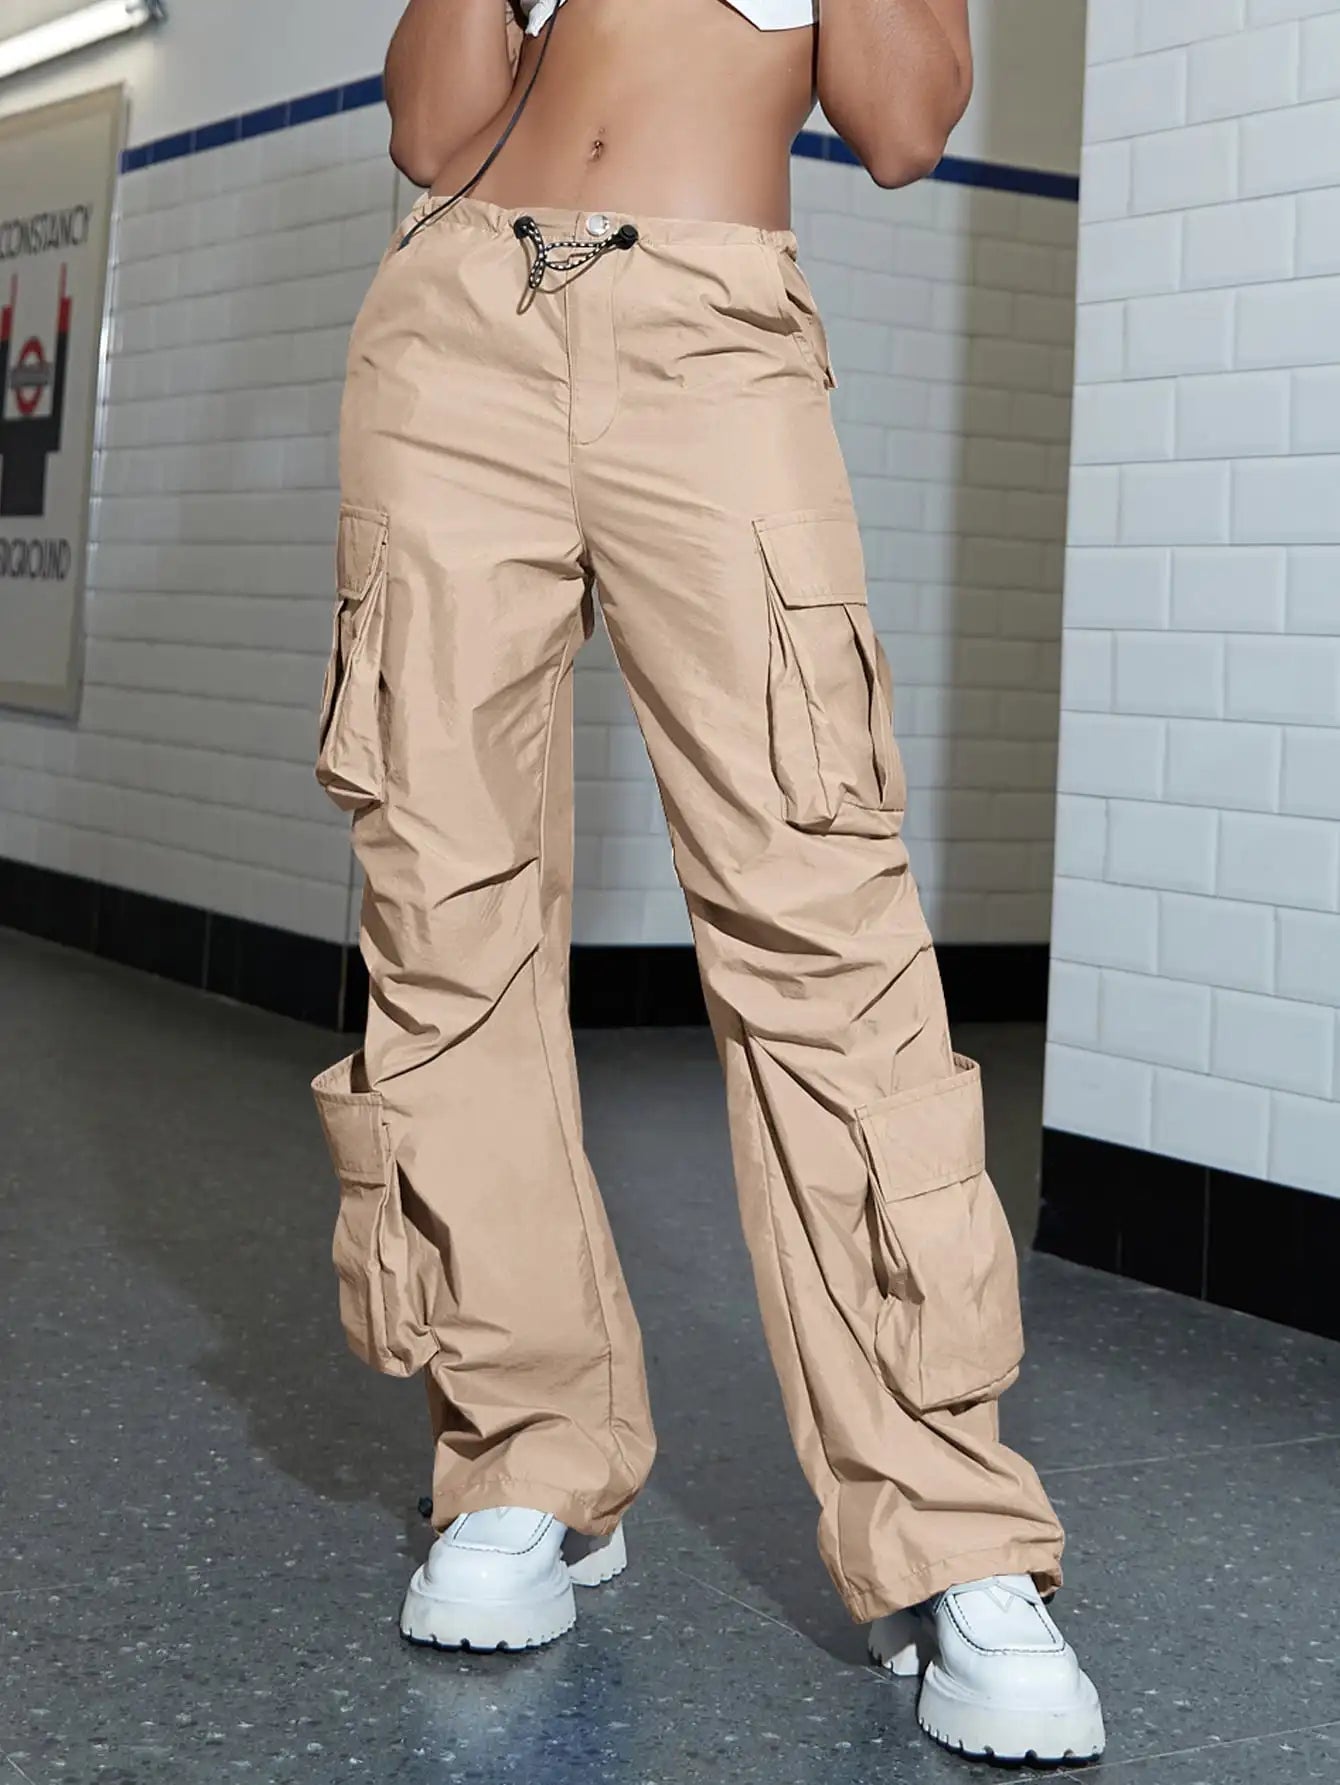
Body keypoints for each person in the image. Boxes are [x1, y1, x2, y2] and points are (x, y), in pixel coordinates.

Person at [310, 0, 1105, 1765]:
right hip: (452, 333)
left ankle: (949, 1525)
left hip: (711, 336)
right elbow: (435, 130)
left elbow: (902, 123)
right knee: (442, 920)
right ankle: (526, 1460)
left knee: (823, 919)